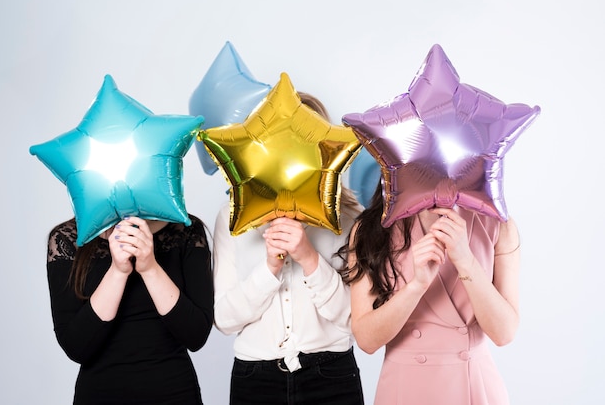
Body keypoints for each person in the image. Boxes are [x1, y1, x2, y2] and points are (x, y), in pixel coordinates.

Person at [212, 93, 365, 405]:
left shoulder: (350, 218)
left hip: (332, 377)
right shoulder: (233, 215)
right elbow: (225, 321)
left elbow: (356, 322)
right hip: (255, 381)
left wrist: (309, 258)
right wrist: (270, 268)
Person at [342, 183, 521, 404]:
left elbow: (504, 333)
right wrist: (417, 286)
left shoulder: (495, 222)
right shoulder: (370, 229)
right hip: (406, 388)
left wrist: (465, 261)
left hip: (474, 386)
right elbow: (367, 340)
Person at [46, 215, 214, 404]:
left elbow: (196, 335)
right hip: (99, 395)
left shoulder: (186, 230)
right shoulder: (66, 238)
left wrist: (150, 268)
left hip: (175, 392)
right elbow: (76, 347)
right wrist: (118, 271)